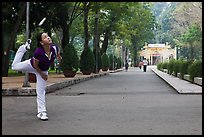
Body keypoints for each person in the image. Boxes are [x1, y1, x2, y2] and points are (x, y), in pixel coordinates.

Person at [11, 32, 62, 121]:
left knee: (41, 92)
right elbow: (35, 65)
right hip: (32, 65)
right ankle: (23, 48)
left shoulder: (54, 48)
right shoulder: (38, 52)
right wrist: (42, 75)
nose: (48, 38)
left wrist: (59, 58)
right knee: (14, 66)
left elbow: (58, 55)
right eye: (45, 37)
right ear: (42, 42)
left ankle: (42, 112)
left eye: (48, 36)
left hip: (43, 70)